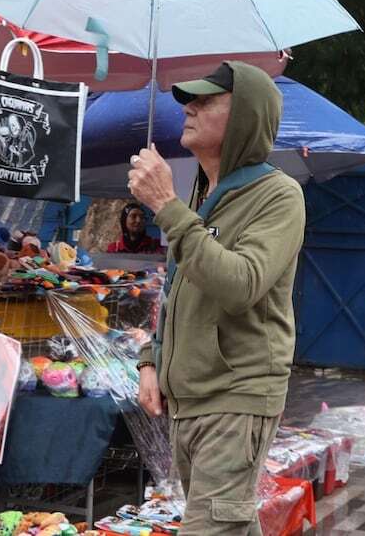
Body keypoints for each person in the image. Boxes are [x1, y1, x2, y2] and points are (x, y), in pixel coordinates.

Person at [130, 61, 305, 535]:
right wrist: (151, 358)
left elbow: (240, 283)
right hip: (190, 399)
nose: (189, 107)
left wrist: (167, 208)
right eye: (191, 99)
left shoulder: (279, 195)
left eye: (206, 101)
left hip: (236, 395)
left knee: (211, 528)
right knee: (229, 525)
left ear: (246, 116)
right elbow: (179, 290)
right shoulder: (202, 194)